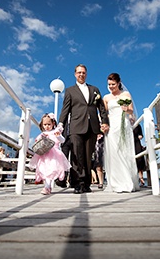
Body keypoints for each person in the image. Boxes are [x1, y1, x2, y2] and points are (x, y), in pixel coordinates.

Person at [58, 64, 109, 194]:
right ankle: (77, 183)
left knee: (87, 156)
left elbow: (101, 108)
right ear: (75, 74)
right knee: (76, 155)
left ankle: (86, 184)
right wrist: (60, 125)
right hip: (76, 126)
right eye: (79, 72)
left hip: (92, 127)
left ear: (86, 74)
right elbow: (65, 110)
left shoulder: (94, 89)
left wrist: (104, 122)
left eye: (84, 72)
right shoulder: (70, 91)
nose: (81, 74)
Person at [102, 72, 139, 193]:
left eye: (113, 84)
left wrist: (126, 108)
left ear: (118, 83)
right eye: (109, 84)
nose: (111, 86)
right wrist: (103, 124)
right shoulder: (106, 98)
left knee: (125, 152)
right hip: (112, 128)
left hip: (124, 125)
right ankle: (116, 182)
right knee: (114, 154)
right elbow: (103, 114)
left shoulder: (126, 94)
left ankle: (127, 182)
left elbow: (131, 111)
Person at [28, 113, 70, 195]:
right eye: (45, 124)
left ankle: (47, 187)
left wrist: (58, 136)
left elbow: (62, 140)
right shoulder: (42, 133)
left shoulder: (55, 132)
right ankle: (48, 186)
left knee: (50, 171)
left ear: (53, 124)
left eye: (49, 124)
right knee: (44, 170)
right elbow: (37, 141)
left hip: (54, 155)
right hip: (44, 155)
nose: (47, 126)